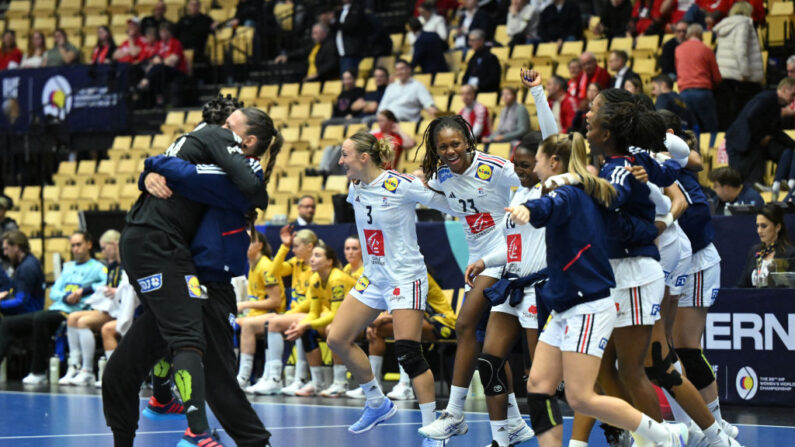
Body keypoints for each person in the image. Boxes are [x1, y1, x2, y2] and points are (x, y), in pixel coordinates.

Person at [101, 108, 273, 447]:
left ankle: (184, 420)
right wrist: (148, 173)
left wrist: (154, 164)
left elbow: (204, 179)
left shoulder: (244, 166)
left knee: (203, 366)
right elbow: (193, 178)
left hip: (210, 277)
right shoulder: (221, 157)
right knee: (156, 360)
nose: (218, 130)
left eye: (227, 126)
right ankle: (177, 415)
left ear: (247, 140)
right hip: (185, 269)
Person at [506, 133, 690, 447]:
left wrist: (529, 211)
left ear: (553, 162)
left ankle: (665, 435)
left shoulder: (568, 194)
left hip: (587, 306)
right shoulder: (577, 186)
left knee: (581, 397)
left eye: (537, 159)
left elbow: (550, 205)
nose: (533, 166)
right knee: (538, 385)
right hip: (565, 306)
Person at [325, 130, 452, 447]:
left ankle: (431, 431)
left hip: (404, 276)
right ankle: (377, 402)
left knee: (409, 353)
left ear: (364, 158)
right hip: (374, 276)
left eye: (345, 155)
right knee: (337, 338)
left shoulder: (399, 184)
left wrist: (436, 181)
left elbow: (442, 200)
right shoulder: (355, 186)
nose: (341, 161)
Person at [416, 116, 533, 443]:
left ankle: (453, 413)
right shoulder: (441, 175)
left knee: (465, 325)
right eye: (443, 147)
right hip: (476, 259)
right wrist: (415, 184)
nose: (451, 151)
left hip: (502, 255)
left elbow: (529, 184)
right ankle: (514, 420)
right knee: (491, 350)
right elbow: (437, 195)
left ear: (468, 140)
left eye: (455, 143)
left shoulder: (495, 168)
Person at [464, 134, 550, 447]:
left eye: (526, 164)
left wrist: (538, 92)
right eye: (517, 165)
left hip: (537, 289)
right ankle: (503, 437)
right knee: (489, 362)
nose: (520, 170)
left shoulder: (549, 190)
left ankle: (608, 425)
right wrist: (484, 261)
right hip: (510, 285)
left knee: (539, 376)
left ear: (543, 162)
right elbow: (511, 246)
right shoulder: (518, 194)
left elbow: (555, 137)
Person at [0, 231, 106, 385]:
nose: (75, 249)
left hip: (75, 312)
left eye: (79, 245)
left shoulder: (98, 267)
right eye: (73, 246)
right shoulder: (68, 267)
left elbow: (105, 284)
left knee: (41, 319)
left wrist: (84, 291)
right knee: (8, 323)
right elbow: (54, 292)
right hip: (57, 308)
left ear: (89, 245)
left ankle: (38, 372)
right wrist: (64, 297)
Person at [268, 241, 355, 397]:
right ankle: (317, 383)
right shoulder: (315, 279)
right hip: (342, 321)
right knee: (306, 328)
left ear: (329, 262)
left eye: (317, 255)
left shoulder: (337, 279)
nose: (312, 259)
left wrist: (305, 324)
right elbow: (314, 313)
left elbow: (336, 315)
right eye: (313, 255)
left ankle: (341, 382)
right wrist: (303, 325)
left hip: (360, 321)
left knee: (332, 330)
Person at [358, 272, 456, 401]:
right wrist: (375, 321)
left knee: (403, 325)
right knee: (378, 330)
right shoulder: (392, 275)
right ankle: (374, 386)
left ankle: (405, 386)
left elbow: (411, 311)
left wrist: (384, 318)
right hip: (416, 320)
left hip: (442, 322)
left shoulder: (416, 273)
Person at [250, 227, 316, 395]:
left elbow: (311, 300)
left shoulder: (316, 266)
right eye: (292, 247)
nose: (293, 250)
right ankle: (270, 376)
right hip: (296, 312)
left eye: (296, 246)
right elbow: (274, 271)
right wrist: (284, 247)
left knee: (287, 323)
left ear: (310, 246)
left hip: (311, 312)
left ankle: (295, 378)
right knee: (271, 325)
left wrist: (290, 313)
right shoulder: (296, 263)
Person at [60, 230, 123, 386]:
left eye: (103, 248)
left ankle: (88, 370)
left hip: (121, 309)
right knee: (73, 317)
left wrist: (114, 292)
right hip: (112, 307)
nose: (102, 252)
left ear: (114, 245)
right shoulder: (112, 266)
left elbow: (126, 289)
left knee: (83, 322)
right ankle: (75, 366)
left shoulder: (125, 264)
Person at [235, 230, 285, 387]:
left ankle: (243, 376)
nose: (245, 242)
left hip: (275, 314)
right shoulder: (251, 265)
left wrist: (244, 305)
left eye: (250, 240)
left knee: (247, 326)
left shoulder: (265, 266)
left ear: (260, 245)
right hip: (256, 314)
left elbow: (275, 301)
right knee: (227, 320)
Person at [726, 77, 795, 189]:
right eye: (793, 94)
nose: (793, 99)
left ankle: (782, 182)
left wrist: (792, 144)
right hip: (740, 145)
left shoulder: (775, 103)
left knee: (754, 183)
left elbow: (775, 131)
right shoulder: (767, 98)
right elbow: (752, 117)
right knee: (739, 184)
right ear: (784, 89)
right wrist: (761, 137)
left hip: (749, 145)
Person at [713, 1, 764, 130]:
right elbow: (740, 50)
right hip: (739, 77)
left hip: (725, 75)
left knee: (729, 115)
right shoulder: (744, 24)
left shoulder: (726, 25)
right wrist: (745, 73)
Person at [675, 24, 721, 133]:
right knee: (710, 130)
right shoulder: (707, 50)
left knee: (688, 131)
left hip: (684, 94)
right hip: (703, 93)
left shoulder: (678, 49)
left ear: (687, 36)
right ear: (701, 36)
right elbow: (717, 77)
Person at [738, 204, 795, 287]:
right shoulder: (755, 251)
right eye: (758, 226)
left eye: (764, 226)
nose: (759, 231)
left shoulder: (789, 254)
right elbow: (742, 285)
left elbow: (788, 289)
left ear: (778, 227)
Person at [274, 22, 339, 82]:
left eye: (316, 33)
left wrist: (317, 73)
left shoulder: (330, 46)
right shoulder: (314, 45)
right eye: (312, 33)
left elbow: (331, 64)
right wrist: (287, 56)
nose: (313, 36)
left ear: (324, 33)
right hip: (310, 78)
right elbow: (302, 52)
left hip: (323, 79)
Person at [0, 230, 44, 316]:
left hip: (29, 316)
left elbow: (20, 302)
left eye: (6, 249)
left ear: (16, 247)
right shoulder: (26, 262)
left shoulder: (27, 267)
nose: (5, 253)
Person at [331, 0, 366, 76]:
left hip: (351, 51)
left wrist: (333, 21)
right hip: (341, 52)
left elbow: (350, 26)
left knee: (349, 76)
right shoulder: (340, 10)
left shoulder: (356, 9)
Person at [461, 29, 501, 93]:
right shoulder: (473, 58)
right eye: (469, 40)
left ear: (481, 40)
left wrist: (478, 86)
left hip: (485, 92)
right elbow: (466, 76)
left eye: (472, 40)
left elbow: (493, 79)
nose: (469, 43)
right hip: (471, 92)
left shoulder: (491, 58)